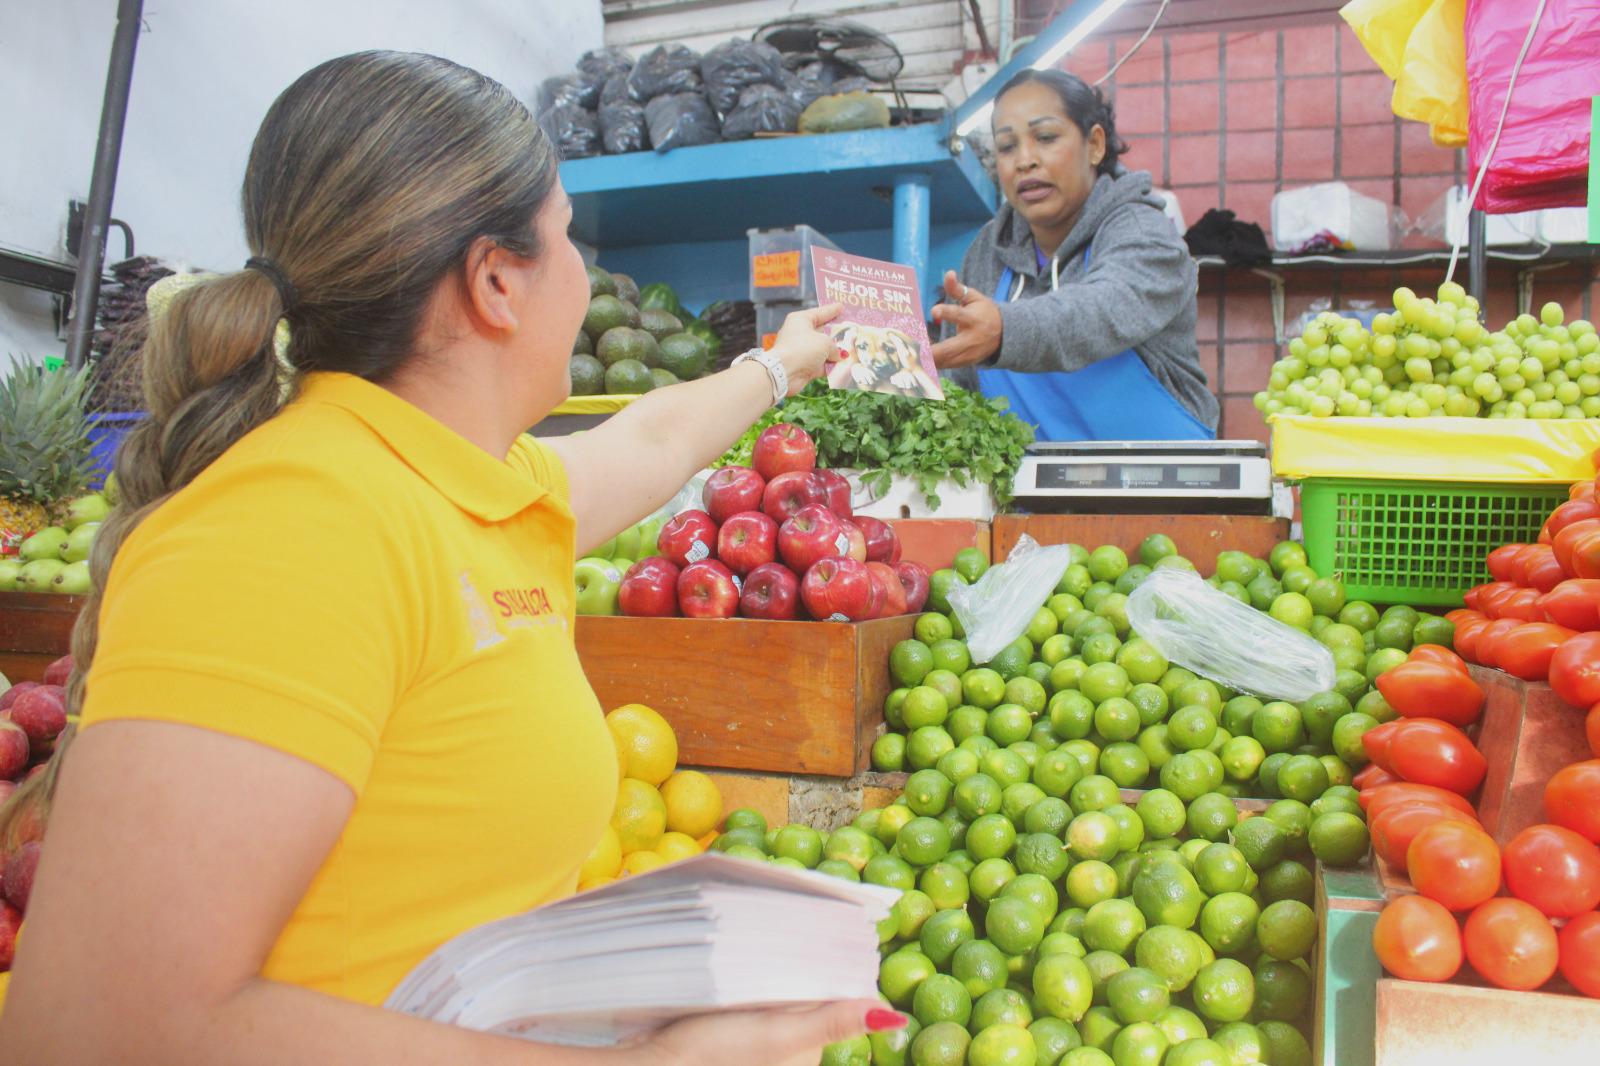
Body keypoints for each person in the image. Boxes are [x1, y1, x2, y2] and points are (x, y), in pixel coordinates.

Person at [0, 51, 903, 1065]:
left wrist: (780, 361)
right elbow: (97, 1029)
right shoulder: (288, 536)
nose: (585, 277)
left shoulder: (468, 482)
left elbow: (646, 444)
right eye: (566, 238)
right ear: (495, 281)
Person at [930, 69, 1219, 441]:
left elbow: (1101, 311)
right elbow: (960, 389)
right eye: (1007, 146)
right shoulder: (989, 251)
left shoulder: (1143, 231)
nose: (1025, 160)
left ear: (1095, 144)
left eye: (1046, 137)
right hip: (1032, 494)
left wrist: (1004, 331)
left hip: (1163, 488)